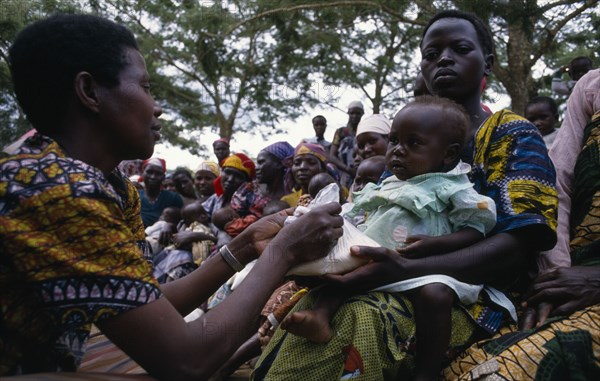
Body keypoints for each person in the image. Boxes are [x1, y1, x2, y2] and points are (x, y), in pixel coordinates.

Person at [0, 14, 345, 379]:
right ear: (89, 92)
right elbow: (186, 362)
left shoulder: (111, 185)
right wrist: (284, 251)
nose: (157, 107)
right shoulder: (54, 186)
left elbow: (152, 303)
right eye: (146, 87)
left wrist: (244, 247)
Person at [253, 10, 557, 380]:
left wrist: (408, 269)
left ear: (487, 63)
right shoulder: (404, 150)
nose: (444, 58)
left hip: (464, 295)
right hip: (383, 273)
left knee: (359, 316)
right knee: (311, 300)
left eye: (460, 49)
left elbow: (518, 245)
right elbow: (374, 215)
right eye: (432, 54)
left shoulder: (513, 134)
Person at [281, 97, 502, 381]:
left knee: (436, 294)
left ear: (448, 155)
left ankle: (427, 371)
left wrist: (435, 245)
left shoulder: (452, 186)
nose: (398, 150)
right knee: (337, 279)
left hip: (425, 266)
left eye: (413, 143)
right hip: (377, 258)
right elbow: (358, 213)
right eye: (395, 140)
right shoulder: (387, 184)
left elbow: (476, 228)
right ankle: (320, 316)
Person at [444, 68, 600, 381]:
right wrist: (553, 281)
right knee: (463, 364)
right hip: (575, 271)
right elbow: (562, 191)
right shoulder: (591, 87)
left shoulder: (511, 133)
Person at [230, 141, 294, 218]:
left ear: (279, 164)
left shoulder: (294, 194)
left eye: (261, 162)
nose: (256, 168)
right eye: (257, 163)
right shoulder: (248, 190)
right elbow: (229, 219)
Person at [202, 152, 255, 220]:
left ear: (247, 182)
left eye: (238, 176)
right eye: (227, 172)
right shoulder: (215, 199)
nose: (230, 179)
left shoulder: (251, 204)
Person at [281, 142, 328, 207]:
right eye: (297, 163)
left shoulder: (339, 193)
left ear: (323, 168)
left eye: (311, 163)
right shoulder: (287, 201)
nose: (302, 167)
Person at [139, 157, 184, 227]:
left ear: (163, 177)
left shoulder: (173, 198)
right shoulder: (134, 196)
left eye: (158, 173)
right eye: (149, 172)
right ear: (142, 173)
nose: (153, 177)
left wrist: (170, 226)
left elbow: (181, 223)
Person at [329, 101, 365, 188]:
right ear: (348, 113)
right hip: (342, 171)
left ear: (362, 114)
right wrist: (347, 169)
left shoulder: (364, 131)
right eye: (352, 113)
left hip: (362, 170)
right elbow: (332, 156)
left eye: (358, 113)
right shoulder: (341, 132)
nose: (354, 116)